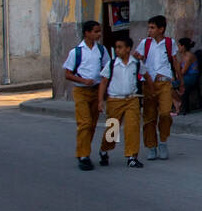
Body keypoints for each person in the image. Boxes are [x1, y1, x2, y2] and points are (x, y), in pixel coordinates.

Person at [62, 20, 110, 171]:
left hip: (96, 91)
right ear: (87, 33)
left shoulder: (102, 51)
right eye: (95, 31)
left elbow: (107, 69)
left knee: (92, 124)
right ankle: (83, 155)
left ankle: (85, 151)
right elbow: (67, 74)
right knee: (85, 123)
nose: (98, 34)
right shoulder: (76, 52)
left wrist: (103, 90)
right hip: (81, 90)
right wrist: (83, 80)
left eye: (99, 31)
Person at [99, 33, 146, 168]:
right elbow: (103, 82)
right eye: (116, 48)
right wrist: (100, 101)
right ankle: (104, 150)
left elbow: (145, 75)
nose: (117, 50)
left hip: (132, 99)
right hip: (115, 100)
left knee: (132, 128)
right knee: (112, 130)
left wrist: (151, 90)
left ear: (128, 48)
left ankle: (132, 156)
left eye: (120, 47)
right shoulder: (112, 64)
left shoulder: (136, 63)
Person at [134, 14, 176, 160]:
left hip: (165, 83)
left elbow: (175, 62)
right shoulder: (145, 43)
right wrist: (138, 58)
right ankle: (151, 146)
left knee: (165, 114)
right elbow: (136, 58)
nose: (149, 30)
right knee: (149, 117)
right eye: (149, 27)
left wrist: (180, 82)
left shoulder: (170, 43)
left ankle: (163, 141)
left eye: (152, 27)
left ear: (161, 29)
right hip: (148, 83)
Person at [172, 37, 200, 115]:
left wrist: (178, 74)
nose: (178, 48)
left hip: (191, 77)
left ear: (183, 46)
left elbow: (183, 71)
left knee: (170, 85)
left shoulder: (189, 57)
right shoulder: (183, 56)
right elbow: (179, 67)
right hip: (185, 77)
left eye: (179, 46)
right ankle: (177, 103)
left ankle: (179, 102)